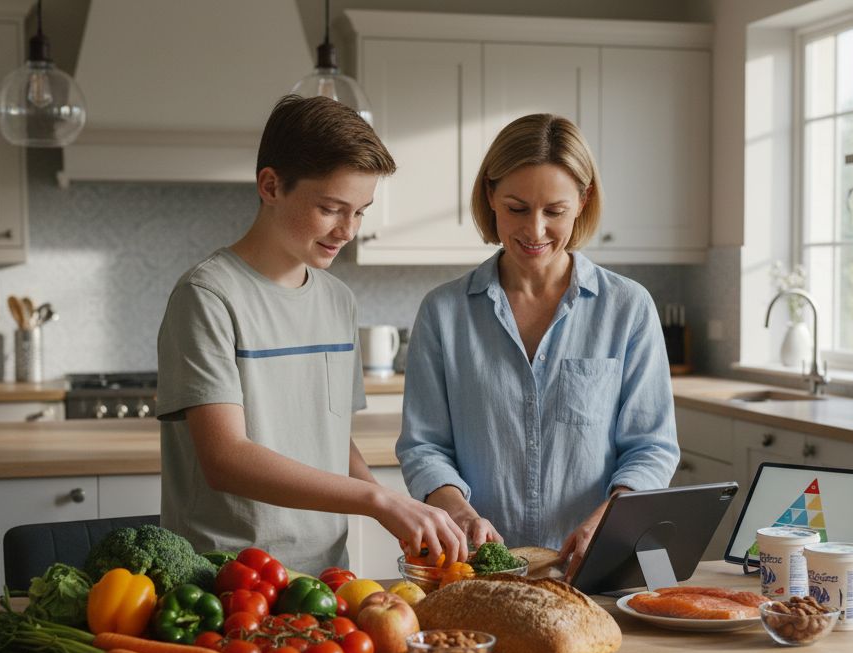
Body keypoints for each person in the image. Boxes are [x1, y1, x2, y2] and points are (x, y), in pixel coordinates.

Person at [156, 95, 468, 574]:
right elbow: (224, 458)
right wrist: (377, 500)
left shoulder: (338, 299)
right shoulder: (208, 295)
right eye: (331, 208)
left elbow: (330, 440)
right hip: (227, 579)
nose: (348, 230)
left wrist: (398, 512)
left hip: (326, 575)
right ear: (270, 185)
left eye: (361, 211)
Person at [396, 113, 679, 577]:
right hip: (477, 572)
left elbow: (652, 448)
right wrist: (457, 510)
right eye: (517, 207)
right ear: (490, 196)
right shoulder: (443, 313)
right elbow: (424, 447)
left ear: (583, 202)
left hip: (593, 571)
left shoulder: (628, 307)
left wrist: (610, 519)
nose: (535, 230)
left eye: (555, 211)